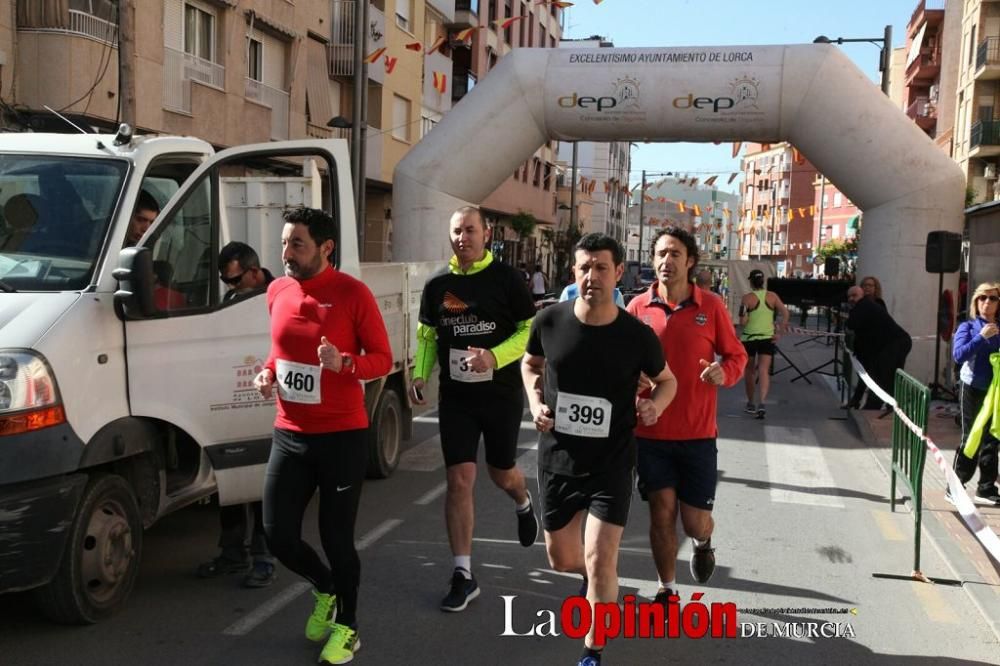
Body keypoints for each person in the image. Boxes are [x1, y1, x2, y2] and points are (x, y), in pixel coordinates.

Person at [522, 233, 677, 666]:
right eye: (585, 267)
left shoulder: (636, 335)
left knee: (600, 555)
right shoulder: (549, 321)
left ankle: (593, 649)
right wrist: (535, 402)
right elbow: (530, 363)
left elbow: (668, 380)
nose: (592, 276)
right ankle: (596, 581)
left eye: (602, 267)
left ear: (619, 272)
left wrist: (654, 407)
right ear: (574, 272)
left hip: (612, 462)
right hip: (557, 460)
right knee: (563, 558)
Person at [253, 207, 392, 665]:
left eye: (297, 244)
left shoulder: (352, 294)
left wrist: (345, 364)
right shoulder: (277, 290)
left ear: (325, 248)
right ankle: (326, 587)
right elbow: (280, 350)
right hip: (289, 433)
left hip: (341, 438)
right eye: (284, 243)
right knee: (277, 535)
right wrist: (267, 373)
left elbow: (382, 359)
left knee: (336, 540)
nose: (286, 253)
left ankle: (348, 628)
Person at [409, 206, 539, 613]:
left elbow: (528, 330)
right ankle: (463, 574)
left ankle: (523, 501)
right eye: (456, 231)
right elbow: (428, 334)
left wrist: (495, 357)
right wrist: (419, 373)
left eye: (470, 230)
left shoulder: (506, 279)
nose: (462, 237)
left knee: (502, 474)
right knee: (460, 480)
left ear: (487, 234)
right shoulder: (437, 284)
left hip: (499, 396)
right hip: (457, 399)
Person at [626, 227, 747, 613]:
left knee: (694, 522)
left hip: (697, 434)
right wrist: (633, 377)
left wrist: (721, 373)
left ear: (690, 261)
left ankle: (702, 542)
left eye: (675, 253)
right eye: (660, 253)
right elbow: (619, 361)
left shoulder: (710, 306)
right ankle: (667, 588)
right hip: (651, 432)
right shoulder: (636, 308)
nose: (666, 261)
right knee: (661, 513)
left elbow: (736, 357)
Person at [195, 242, 278, 588]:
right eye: (225, 282)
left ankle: (264, 558)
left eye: (234, 280)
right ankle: (232, 553)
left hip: (266, 402)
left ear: (255, 272)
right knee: (229, 485)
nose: (229, 287)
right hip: (230, 401)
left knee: (261, 487)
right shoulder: (231, 302)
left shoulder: (280, 297)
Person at [949, 282, 1000, 506]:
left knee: (992, 439)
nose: (987, 302)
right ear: (975, 302)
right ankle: (955, 486)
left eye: (992, 298)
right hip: (971, 388)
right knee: (971, 437)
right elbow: (958, 356)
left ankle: (986, 488)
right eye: (982, 298)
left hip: (995, 392)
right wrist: (980, 337)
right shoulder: (968, 327)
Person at [845, 286, 912, 410]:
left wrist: (850, 314)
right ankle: (890, 406)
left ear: (862, 295)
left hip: (892, 344)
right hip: (894, 343)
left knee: (881, 377)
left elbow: (851, 324)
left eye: (854, 295)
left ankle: (872, 408)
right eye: (849, 296)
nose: (851, 299)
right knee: (885, 375)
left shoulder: (863, 305)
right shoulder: (866, 306)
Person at [739, 269, 789, 418]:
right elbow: (785, 313)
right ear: (763, 281)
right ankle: (762, 402)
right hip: (767, 338)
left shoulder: (746, 298)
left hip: (749, 339)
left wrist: (746, 317)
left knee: (749, 371)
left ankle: (750, 403)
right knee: (763, 370)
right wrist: (780, 331)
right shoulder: (772, 296)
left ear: (750, 282)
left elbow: (743, 322)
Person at [846, 275, 887, 409]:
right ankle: (856, 400)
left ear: (876, 288)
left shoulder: (878, 303)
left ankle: (869, 402)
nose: (867, 288)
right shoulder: (857, 303)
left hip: (875, 346)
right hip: (863, 344)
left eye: (870, 285)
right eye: (865, 285)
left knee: (872, 375)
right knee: (863, 374)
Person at [558, 281, 626, 308]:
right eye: (585, 268)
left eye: (601, 268)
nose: (591, 276)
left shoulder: (615, 295)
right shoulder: (569, 292)